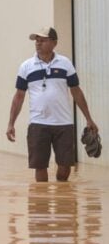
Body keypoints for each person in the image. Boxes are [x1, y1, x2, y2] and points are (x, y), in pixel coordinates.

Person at [6, 27, 98, 182]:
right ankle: (43, 202)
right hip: (38, 124)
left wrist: (89, 119)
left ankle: (62, 198)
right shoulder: (26, 66)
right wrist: (11, 123)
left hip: (64, 124)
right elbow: (19, 97)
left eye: (43, 40)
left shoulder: (65, 63)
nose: (38, 43)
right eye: (37, 40)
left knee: (65, 167)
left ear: (54, 43)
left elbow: (76, 91)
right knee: (40, 166)